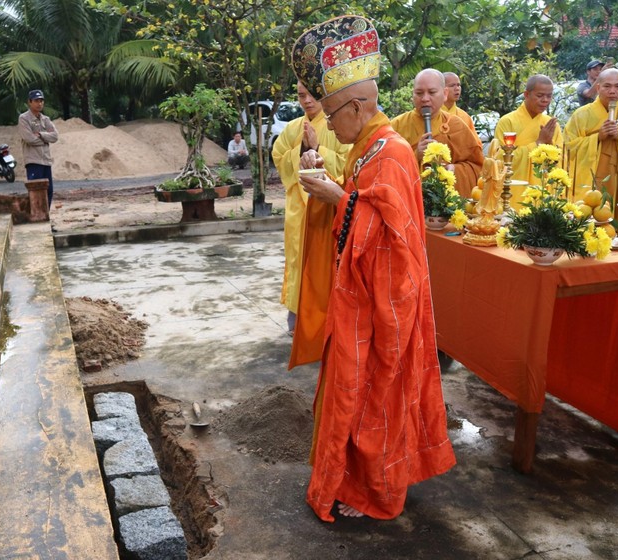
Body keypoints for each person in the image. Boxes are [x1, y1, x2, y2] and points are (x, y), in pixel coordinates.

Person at [290, 14, 456, 522]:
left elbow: (394, 237)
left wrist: (338, 196)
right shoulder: (369, 147)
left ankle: (374, 489)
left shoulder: (392, 153)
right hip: (359, 294)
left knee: (375, 395)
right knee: (355, 395)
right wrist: (336, 192)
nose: (329, 127)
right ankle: (350, 478)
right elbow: (363, 212)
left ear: (358, 107)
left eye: (333, 113)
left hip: (383, 299)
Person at [271, 81, 349, 347]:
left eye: (312, 95)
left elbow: (347, 164)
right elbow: (279, 157)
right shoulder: (293, 127)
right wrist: (302, 151)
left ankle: (327, 325)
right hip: (298, 210)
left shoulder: (337, 125)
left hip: (327, 209)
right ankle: (297, 323)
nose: (306, 100)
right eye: (301, 95)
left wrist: (319, 150)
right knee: (297, 262)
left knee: (326, 266)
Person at [563, 68, 618, 237]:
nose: (613, 91)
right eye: (607, 86)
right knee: (590, 221)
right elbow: (568, 147)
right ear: (597, 88)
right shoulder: (582, 114)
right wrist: (597, 138)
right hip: (592, 177)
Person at [391, 69, 484, 197]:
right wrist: (414, 156)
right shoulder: (397, 126)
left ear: (445, 94)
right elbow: (386, 170)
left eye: (432, 92)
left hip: (447, 205)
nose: (425, 99)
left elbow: (477, 167)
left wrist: (455, 170)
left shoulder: (456, 125)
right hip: (409, 203)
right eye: (419, 93)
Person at [490, 74, 562, 208]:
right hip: (512, 191)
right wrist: (538, 144)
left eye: (549, 96)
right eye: (540, 96)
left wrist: (549, 145)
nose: (545, 100)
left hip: (542, 190)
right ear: (526, 94)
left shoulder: (550, 125)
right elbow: (500, 160)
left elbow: (558, 161)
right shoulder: (508, 121)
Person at [18, 89, 59, 207]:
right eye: (36, 101)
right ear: (29, 102)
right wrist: (46, 139)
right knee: (36, 193)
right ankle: (37, 221)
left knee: (49, 192)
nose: (39, 103)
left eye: (41, 101)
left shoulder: (45, 119)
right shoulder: (24, 118)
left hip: (46, 161)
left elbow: (55, 136)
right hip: (33, 161)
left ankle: (46, 219)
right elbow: (29, 139)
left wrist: (41, 135)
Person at [443, 72, 480, 142]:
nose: (457, 88)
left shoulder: (464, 117)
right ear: (441, 89)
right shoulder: (432, 115)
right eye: (452, 85)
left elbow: (475, 144)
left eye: (458, 85)